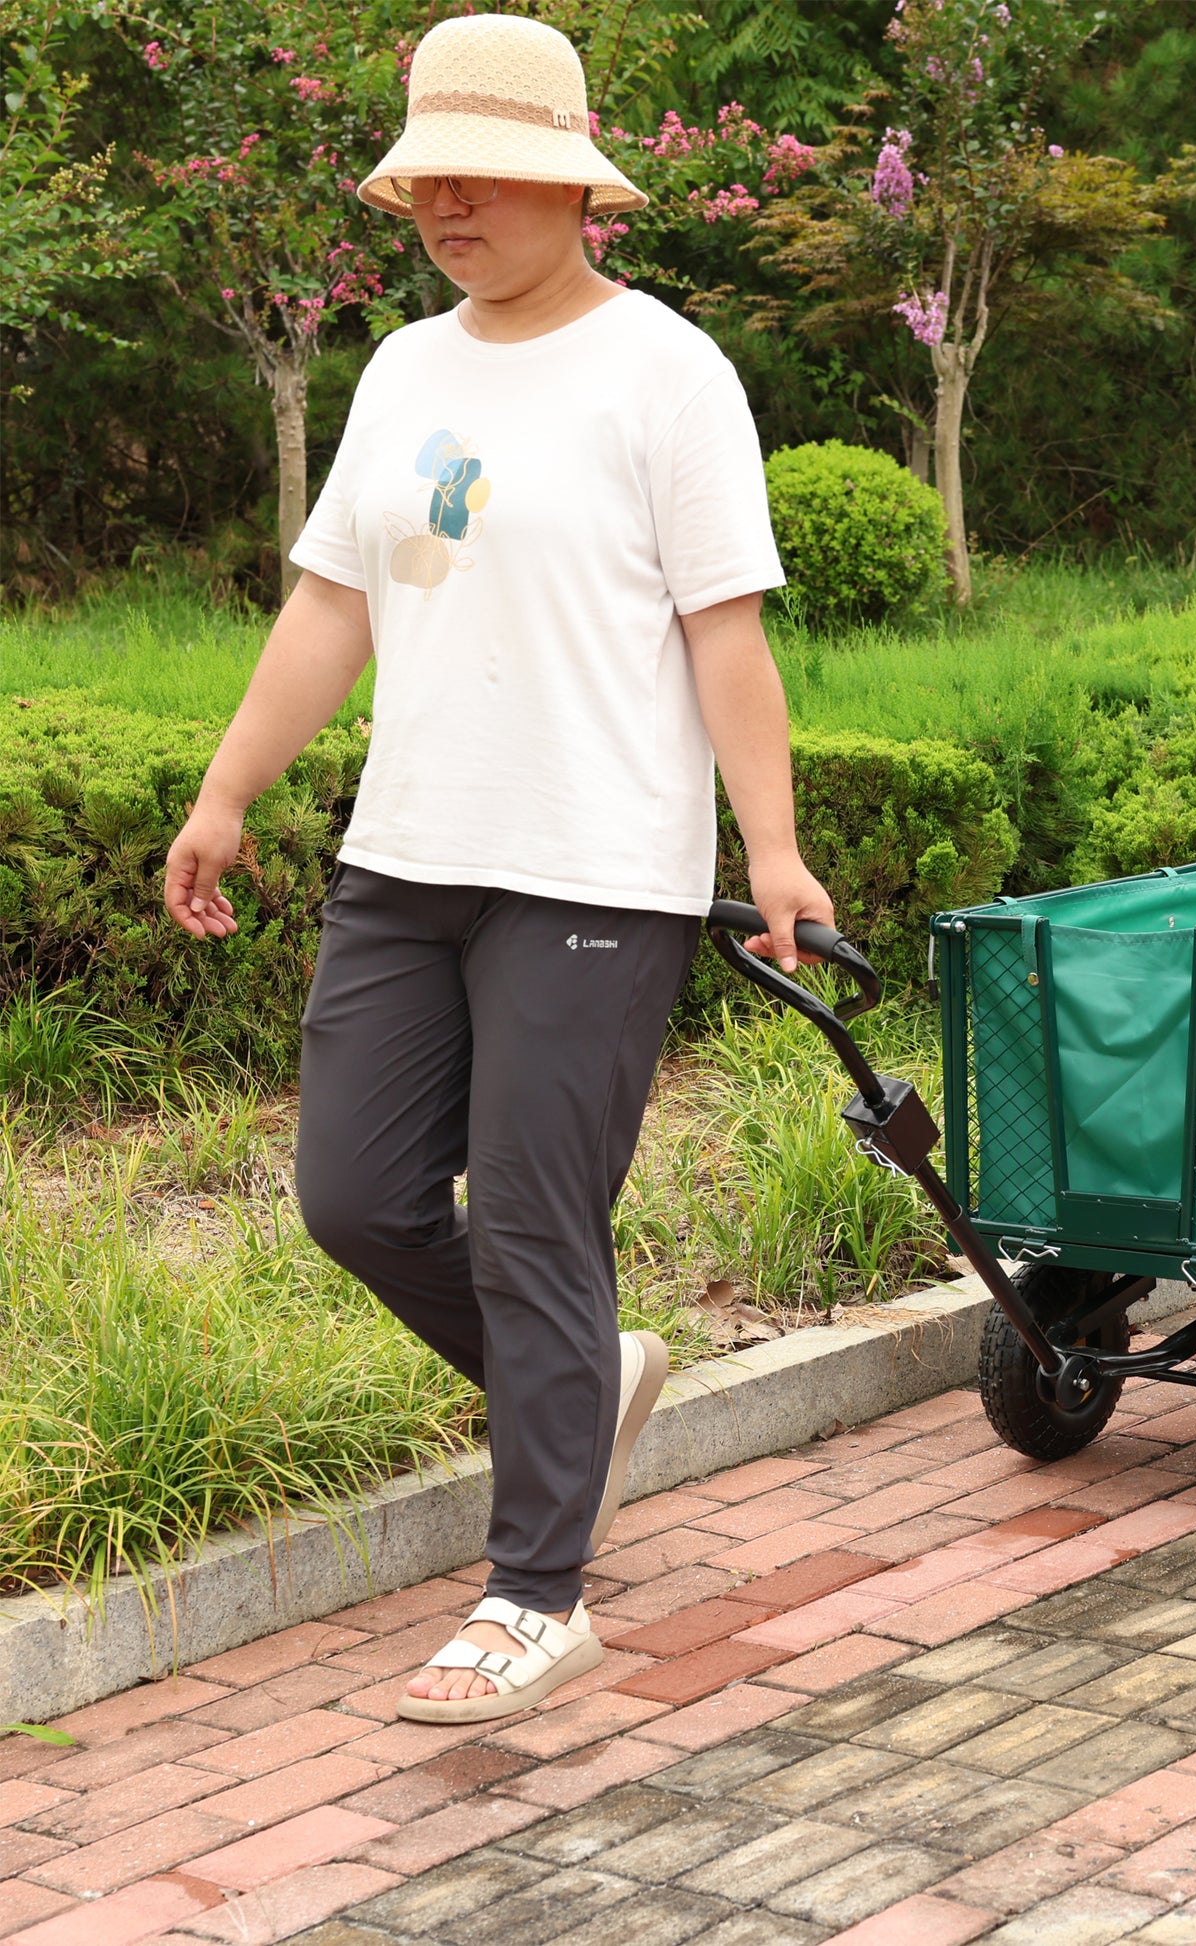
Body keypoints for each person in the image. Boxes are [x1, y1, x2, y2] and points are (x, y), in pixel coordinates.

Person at [163, 12, 833, 1724]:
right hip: (410, 851)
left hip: (595, 863)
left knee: (534, 1213)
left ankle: (538, 1590)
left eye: (482, 173)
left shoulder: (665, 372)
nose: (444, 204)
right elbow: (335, 602)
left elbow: (724, 630)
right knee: (358, 1197)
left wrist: (767, 840)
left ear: (569, 183)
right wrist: (230, 790)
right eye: (423, 177)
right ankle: (590, 1381)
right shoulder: (402, 370)